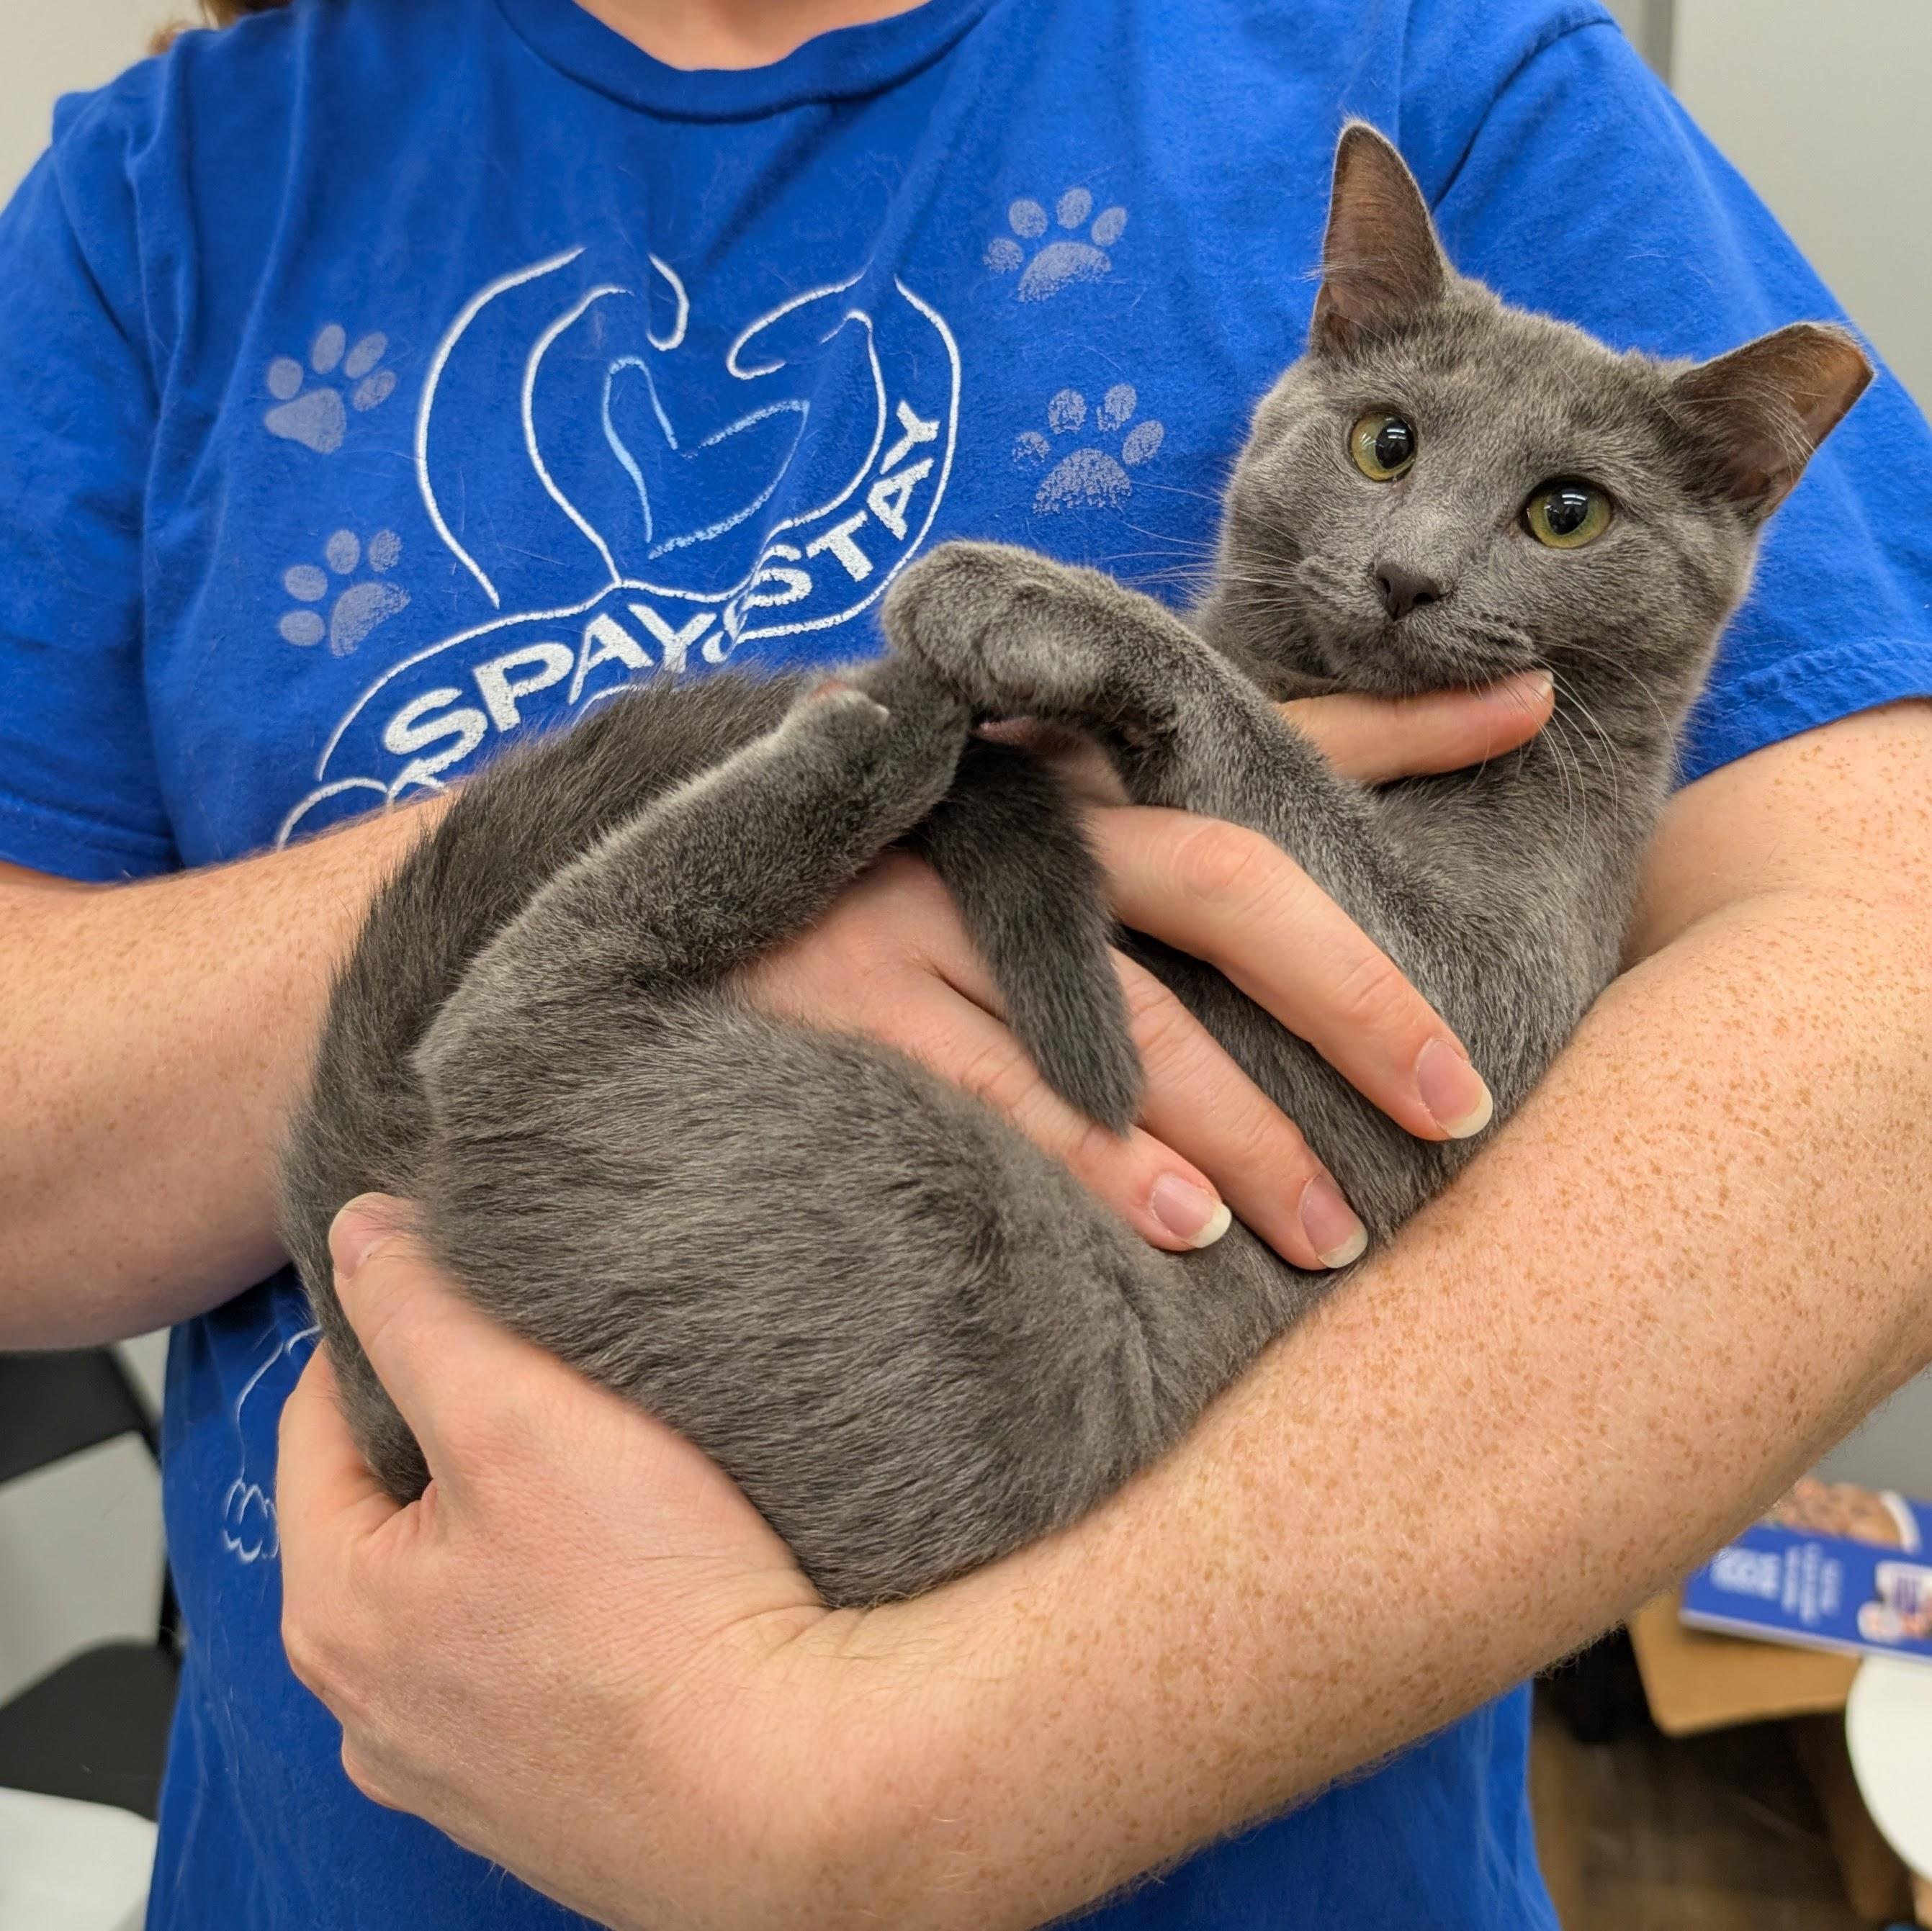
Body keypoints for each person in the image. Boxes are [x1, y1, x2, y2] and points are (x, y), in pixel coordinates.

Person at [1, 0, 1928, 1925]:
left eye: (1560, 513)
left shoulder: (1439, 57)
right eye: (1387, 444)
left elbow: (1882, 988)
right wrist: (808, 863)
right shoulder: (162, 193)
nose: (1421, 558)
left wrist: (864, 1795)